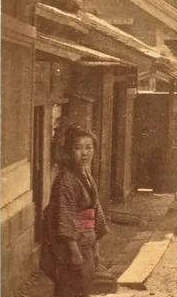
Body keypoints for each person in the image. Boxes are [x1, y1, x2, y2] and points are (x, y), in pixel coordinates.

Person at [40, 124, 110, 297]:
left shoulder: (87, 177)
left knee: (83, 289)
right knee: (68, 290)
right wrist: (74, 251)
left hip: (86, 244)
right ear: (69, 152)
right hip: (70, 247)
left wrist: (96, 248)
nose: (85, 153)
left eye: (89, 147)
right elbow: (64, 216)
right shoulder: (65, 179)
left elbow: (95, 215)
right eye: (78, 148)